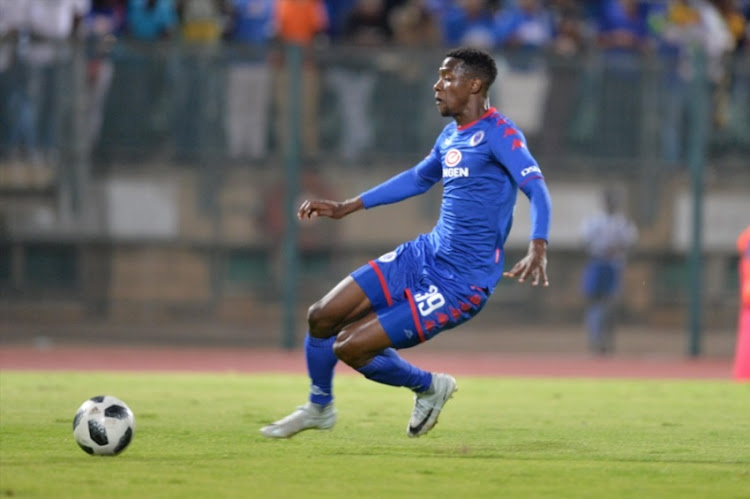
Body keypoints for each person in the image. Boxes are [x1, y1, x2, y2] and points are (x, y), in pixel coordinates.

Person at [260, 47, 552, 439]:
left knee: (349, 347)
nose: (438, 85)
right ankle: (318, 407)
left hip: (459, 284)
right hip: (423, 255)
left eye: (447, 77)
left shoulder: (502, 134)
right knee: (321, 316)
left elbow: (536, 187)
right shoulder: (451, 135)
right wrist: (348, 206)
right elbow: (418, 178)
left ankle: (430, 388)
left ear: (474, 84)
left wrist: (538, 242)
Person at [579, 188, 637, 356]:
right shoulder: (594, 221)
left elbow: (630, 242)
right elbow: (584, 241)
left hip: (614, 265)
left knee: (609, 304)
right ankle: (595, 338)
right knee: (595, 302)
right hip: (597, 262)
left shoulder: (622, 223)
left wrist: (617, 249)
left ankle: (606, 339)